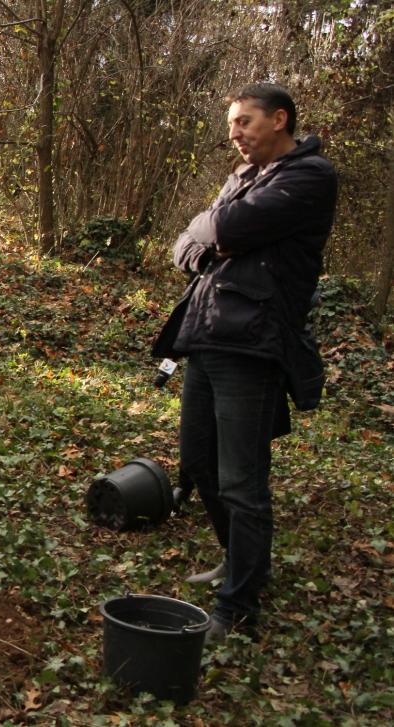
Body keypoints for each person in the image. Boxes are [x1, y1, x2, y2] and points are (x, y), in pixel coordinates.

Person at [167, 84, 337, 643]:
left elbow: (227, 229)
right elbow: (186, 245)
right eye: (231, 124)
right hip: (208, 333)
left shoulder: (309, 176)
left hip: (255, 342)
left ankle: (239, 606)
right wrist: (208, 236)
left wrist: (212, 232)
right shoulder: (242, 178)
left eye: (243, 122)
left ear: (279, 119)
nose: (233, 134)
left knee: (243, 481)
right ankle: (238, 559)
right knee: (199, 460)